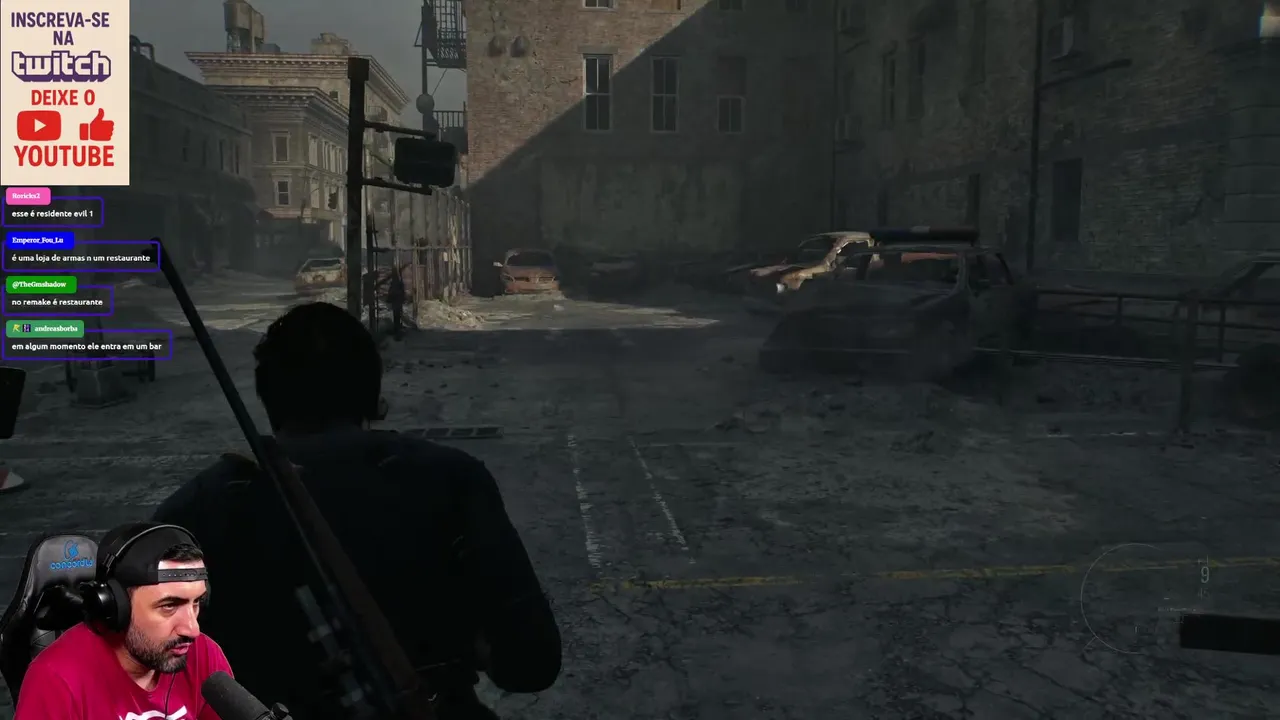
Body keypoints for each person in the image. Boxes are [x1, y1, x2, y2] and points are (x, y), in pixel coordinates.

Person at [151, 302, 561, 720]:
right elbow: (530, 661)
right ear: (370, 388)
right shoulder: (450, 479)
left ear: (268, 393)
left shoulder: (198, 507)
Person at [14, 523, 231, 720]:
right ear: (116, 606)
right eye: (169, 606)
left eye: (196, 602)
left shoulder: (204, 655)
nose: (193, 629)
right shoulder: (56, 680)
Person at [388, 268, 406, 339]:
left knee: (397, 317)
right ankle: (397, 331)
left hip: (396, 302)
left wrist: (390, 298)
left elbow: (392, 292)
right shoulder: (398, 282)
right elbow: (402, 292)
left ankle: (398, 333)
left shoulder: (396, 282)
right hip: (398, 302)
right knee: (397, 317)